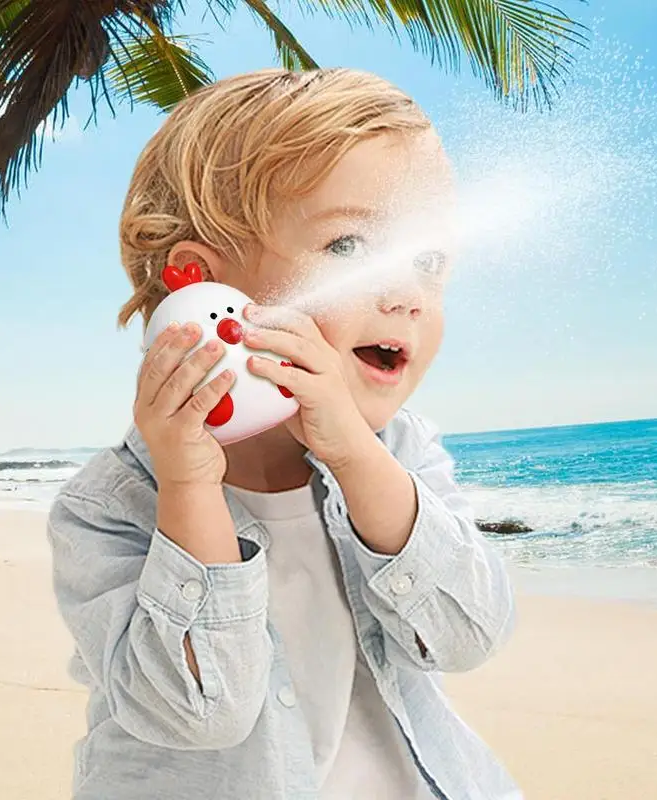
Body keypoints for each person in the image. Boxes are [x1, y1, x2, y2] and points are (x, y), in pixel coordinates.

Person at [47, 67, 522, 800]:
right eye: (348, 247)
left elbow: (468, 635)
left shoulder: (400, 452)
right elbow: (197, 711)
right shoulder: (106, 509)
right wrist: (188, 486)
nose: (405, 296)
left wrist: (353, 454)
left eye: (428, 261)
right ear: (205, 285)